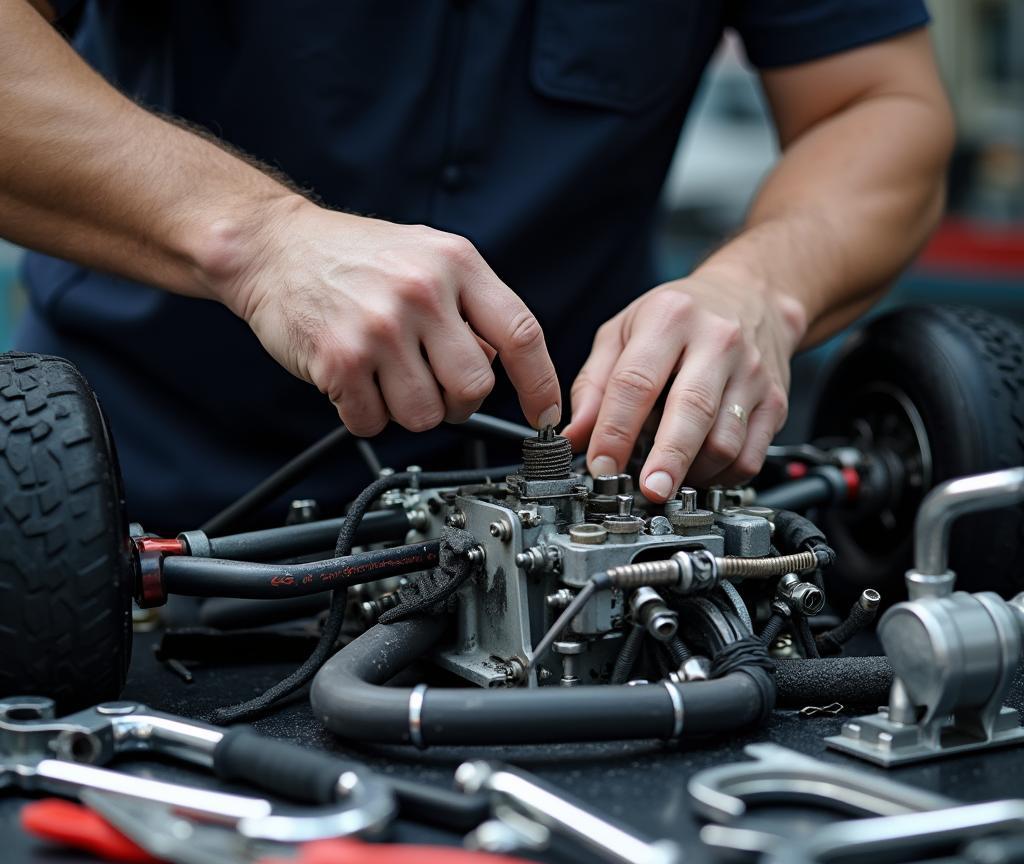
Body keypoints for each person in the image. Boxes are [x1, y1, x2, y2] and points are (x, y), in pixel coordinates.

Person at [0, 0, 953, 530]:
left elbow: (877, 104)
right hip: (104, 514)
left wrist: (757, 291)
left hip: (587, 515)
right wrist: (256, 239)